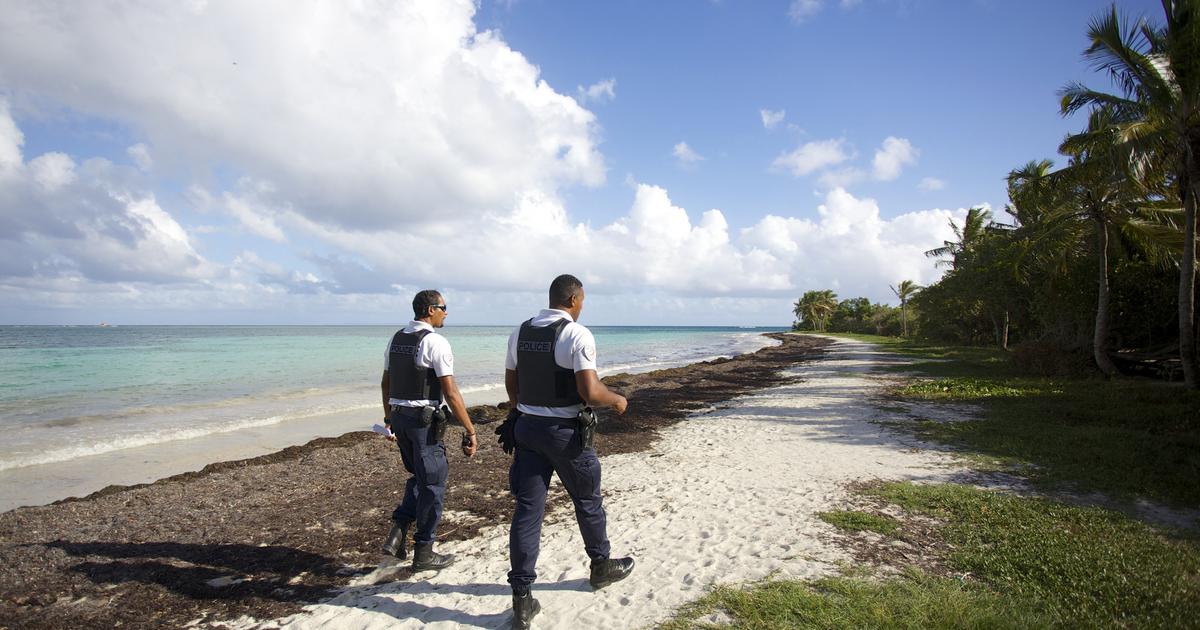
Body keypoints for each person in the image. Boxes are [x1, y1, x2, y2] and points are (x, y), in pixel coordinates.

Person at [500, 274, 635, 629]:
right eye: (583, 300)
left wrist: (523, 410)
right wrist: (617, 399)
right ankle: (601, 567)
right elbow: (590, 391)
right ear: (574, 299)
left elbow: (511, 381)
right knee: (588, 501)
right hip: (565, 435)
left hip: (527, 430)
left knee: (528, 511)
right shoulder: (577, 333)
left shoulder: (522, 331)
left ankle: (522, 598)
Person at [379, 289, 478, 572]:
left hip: (399, 417)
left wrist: (388, 415)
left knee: (420, 477)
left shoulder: (396, 338)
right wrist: (470, 430)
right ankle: (424, 551)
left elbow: (386, 383)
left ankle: (398, 531)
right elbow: (451, 392)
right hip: (422, 423)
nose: (447, 312)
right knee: (433, 484)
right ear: (430, 309)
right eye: (444, 307)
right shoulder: (435, 342)